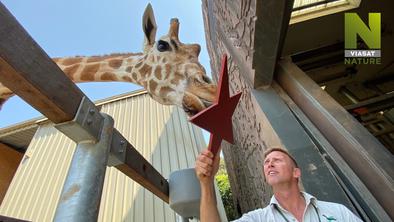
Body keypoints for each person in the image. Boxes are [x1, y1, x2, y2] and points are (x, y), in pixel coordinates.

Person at [195, 147, 363, 222]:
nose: (269, 164)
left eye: (277, 160)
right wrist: (206, 182)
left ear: (296, 172)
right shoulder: (258, 219)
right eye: (266, 162)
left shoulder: (338, 212)